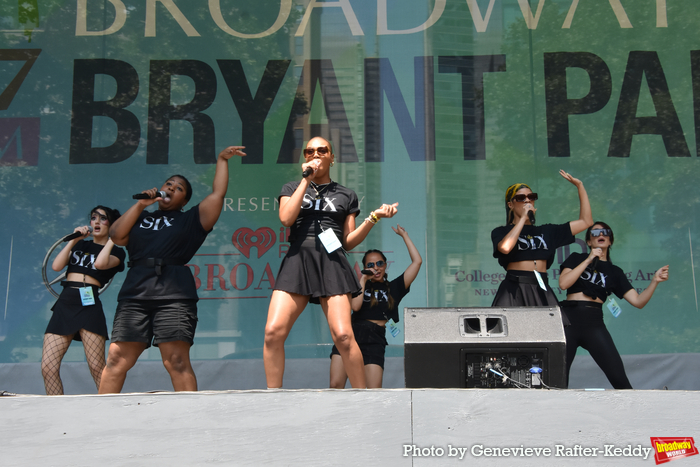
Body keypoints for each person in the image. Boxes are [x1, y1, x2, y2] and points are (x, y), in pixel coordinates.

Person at [99, 146, 246, 393]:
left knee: (176, 361)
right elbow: (115, 234)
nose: (171, 189)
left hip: (174, 294)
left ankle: (188, 423)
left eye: (179, 189)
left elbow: (218, 194)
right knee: (116, 359)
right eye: (169, 184)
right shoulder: (141, 217)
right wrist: (140, 205)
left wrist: (221, 159)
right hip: (135, 293)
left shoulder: (190, 219)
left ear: (185, 200)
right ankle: (98, 424)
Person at [264, 136, 398, 389]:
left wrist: (373, 217)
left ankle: (362, 396)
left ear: (332, 157)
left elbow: (347, 242)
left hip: (331, 262)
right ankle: (273, 397)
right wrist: (307, 178)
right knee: (273, 332)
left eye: (322, 150)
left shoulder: (345, 194)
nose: (315, 154)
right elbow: (286, 218)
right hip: (298, 260)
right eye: (310, 151)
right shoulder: (292, 187)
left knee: (344, 336)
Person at [558, 222, 669, 389]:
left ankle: (633, 412)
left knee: (618, 377)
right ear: (589, 242)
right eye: (595, 233)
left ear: (610, 241)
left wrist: (654, 281)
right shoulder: (577, 258)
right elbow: (564, 284)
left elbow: (638, 302)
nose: (601, 234)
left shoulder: (615, 272)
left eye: (605, 232)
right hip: (568, 319)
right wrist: (589, 259)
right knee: (558, 377)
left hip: (594, 322)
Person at [42, 206, 125, 395]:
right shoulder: (80, 245)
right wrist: (74, 240)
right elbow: (56, 266)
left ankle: (109, 410)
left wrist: (112, 238)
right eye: (93, 217)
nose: (96, 221)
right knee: (48, 366)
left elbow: (100, 264)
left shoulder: (118, 253)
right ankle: (56, 410)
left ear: (111, 224)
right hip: (66, 301)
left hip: (88, 303)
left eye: (103, 218)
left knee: (97, 367)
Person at [329, 224, 422, 388]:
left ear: (385, 265)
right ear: (365, 268)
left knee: (373, 390)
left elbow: (417, 262)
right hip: (351, 333)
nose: (376, 268)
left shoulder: (395, 287)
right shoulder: (358, 284)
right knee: (336, 384)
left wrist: (404, 235)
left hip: (374, 338)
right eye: (370, 265)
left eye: (379, 263)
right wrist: (363, 280)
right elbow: (356, 307)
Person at [491, 170, 593, 308]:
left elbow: (586, 222)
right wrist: (523, 219)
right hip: (515, 287)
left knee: (549, 327)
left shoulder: (547, 231)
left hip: (541, 285)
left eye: (531, 197)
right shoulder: (501, 231)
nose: (527, 200)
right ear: (510, 204)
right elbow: (505, 247)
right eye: (521, 198)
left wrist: (580, 186)